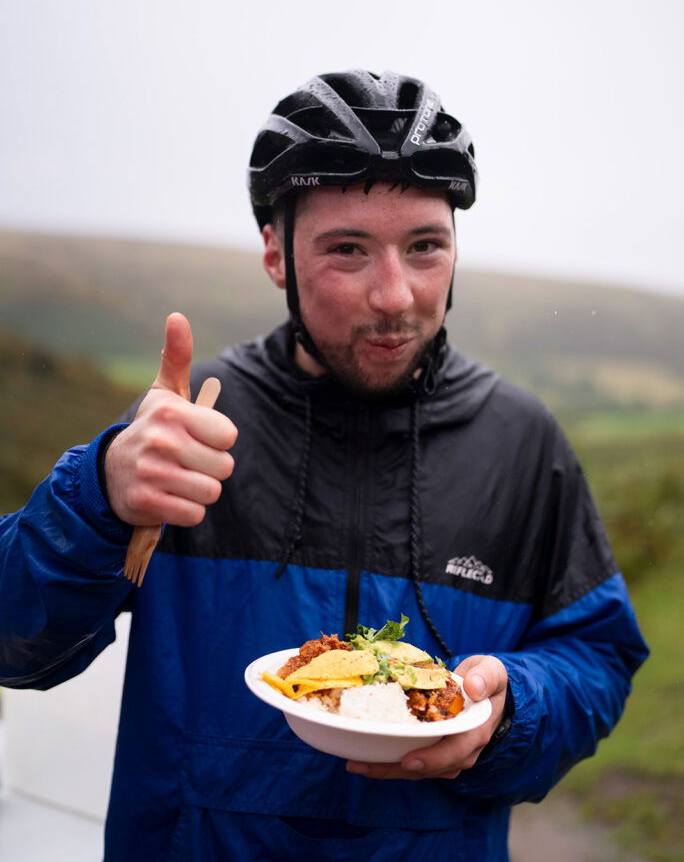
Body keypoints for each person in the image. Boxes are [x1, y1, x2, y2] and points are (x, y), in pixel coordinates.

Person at [0, 70, 648, 861]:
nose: (395, 295)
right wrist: (96, 499)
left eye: (426, 247)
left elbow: (599, 655)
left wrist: (511, 714)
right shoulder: (194, 429)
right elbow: (14, 643)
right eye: (348, 250)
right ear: (276, 254)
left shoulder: (522, 443)